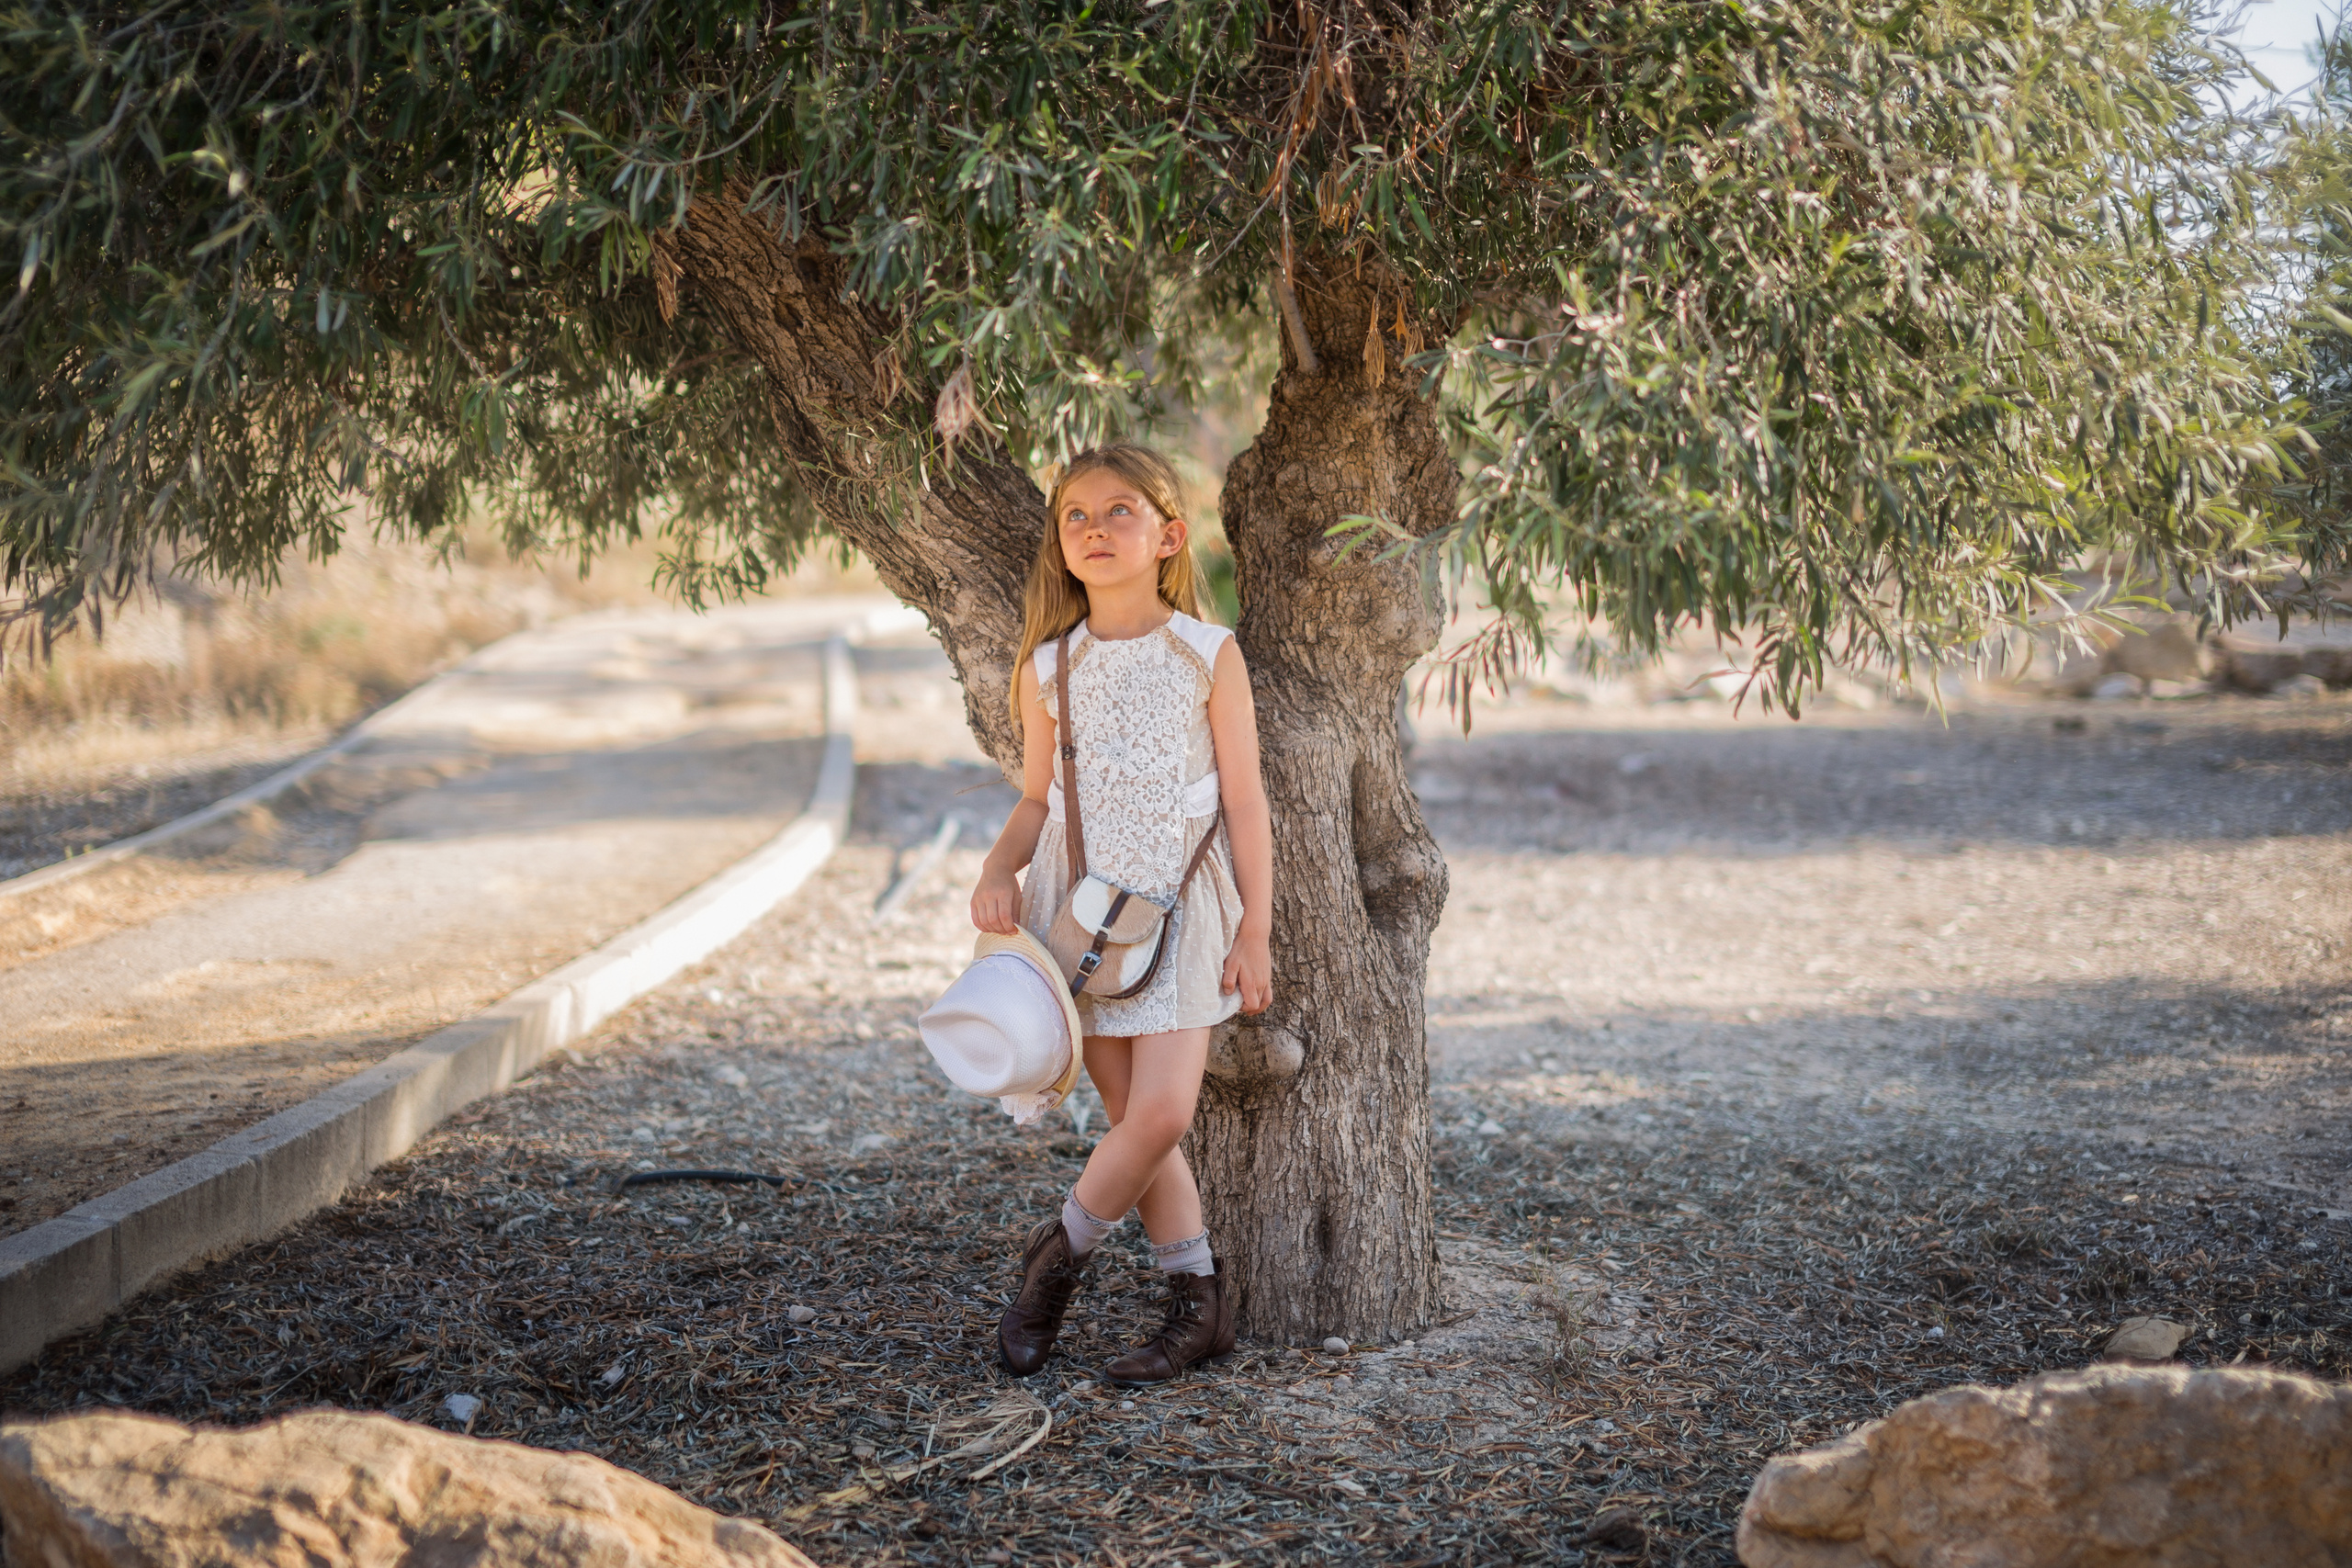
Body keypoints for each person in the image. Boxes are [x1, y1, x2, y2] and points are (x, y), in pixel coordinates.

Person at [968, 443, 1273, 1384]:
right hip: (1079, 914)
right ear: (1060, 545)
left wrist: (1256, 926)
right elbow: (1032, 800)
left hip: (1185, 903)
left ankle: (1052, 1267)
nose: (1095, 530)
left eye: (1120, 513)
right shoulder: (1050, 667)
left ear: (1169, 536)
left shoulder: (1207, 655)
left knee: (1162, 1115)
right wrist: (998, 870)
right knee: (1127, 1120)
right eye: (1076, 517)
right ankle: (1199, 1304)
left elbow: (1246, 798)